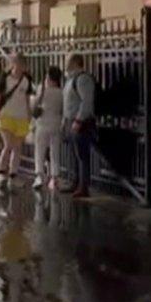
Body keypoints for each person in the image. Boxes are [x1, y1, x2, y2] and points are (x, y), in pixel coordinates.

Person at [0, 53, 34, 188]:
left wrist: (29, 116)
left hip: (21, 117)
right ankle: (1, 173)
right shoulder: (5, 78)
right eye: (18, 64)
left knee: (17, 148)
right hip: (6, 115)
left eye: (23, 65)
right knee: (8, 145)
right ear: (13, 64)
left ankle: (13, 175)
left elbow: (27, 99)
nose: (21, 67)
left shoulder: (27, 79)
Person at [61, 54, 96, 198]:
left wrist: (79, 120)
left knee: (82, 155)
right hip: (71, 120)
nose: (65, 63)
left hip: (80, 122)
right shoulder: (71, 79)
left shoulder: (83, 79)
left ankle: (83, 186)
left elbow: (86, 101)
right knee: (74, 155)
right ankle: (75, 182)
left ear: (75, 63)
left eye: (68, 61)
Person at [33, 66, 64, 191]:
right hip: (56, 124)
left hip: (42, 124)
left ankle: (40, 176)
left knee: (40, 151)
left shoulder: (42, 89)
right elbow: (63, 110)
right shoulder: (61, 92)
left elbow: (35, 104)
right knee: (54, 151)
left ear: (48, 77)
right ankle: (54, 178)